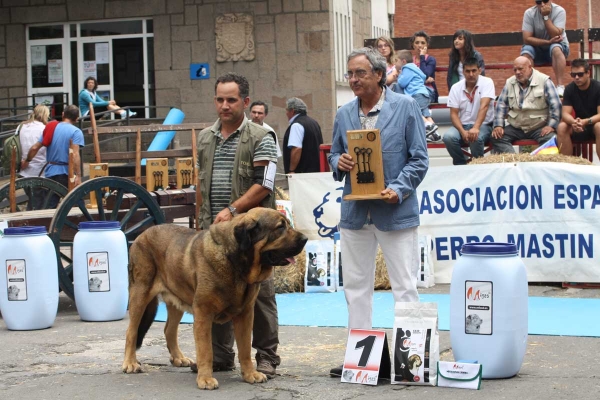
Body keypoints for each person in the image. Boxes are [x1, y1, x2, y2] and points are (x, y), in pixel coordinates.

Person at [327, 47, 428, 376]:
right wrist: (337, 163)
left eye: (360, 73)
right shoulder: (343, 114)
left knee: (405, 286)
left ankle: (410, 365)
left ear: (379, 75)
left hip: (395, 213)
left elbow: (419, 159)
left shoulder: (406, 106)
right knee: (355, 288)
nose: (353, 79)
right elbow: (336, 157)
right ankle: (361, 363)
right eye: (350, 74)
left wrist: (398, 189)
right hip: (356, 214)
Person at [196, 72, 281, 378]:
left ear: (245, 102)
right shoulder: (206, 138)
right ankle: (220, 357)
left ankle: (267, 356)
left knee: (258, 294)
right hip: (215, 232)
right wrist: (203, 221)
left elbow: (265, 186)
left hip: (254, 233)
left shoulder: (262, 137)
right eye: (219, 99)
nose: (224, 105)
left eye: (231, 100)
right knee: (215, 291)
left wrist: (232, 210)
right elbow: (202, 185)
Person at [491, 56, 561, 154]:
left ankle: (537, 165)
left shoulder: (544, 81)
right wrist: (498, 125)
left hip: (539, 126)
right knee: (496, 137)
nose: (517, 72)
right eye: (515, 70)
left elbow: (556, 106)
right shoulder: (509, 82)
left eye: (520, 69)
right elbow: (501, 105)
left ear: (529, 67)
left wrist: (551, 126)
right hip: (516, 126)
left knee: (550, 139)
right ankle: (514, 162)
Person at [21, 105, 84, 208]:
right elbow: (75, 154)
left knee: (50, 205)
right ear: (77, 118)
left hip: (50, 172)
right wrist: (79, 175)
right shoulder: (76, 132)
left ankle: (47, 223)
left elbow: (35, 147)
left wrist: (27, 160)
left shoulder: (51, 128)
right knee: (77, 202)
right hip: (66, 172)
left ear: (63, 114)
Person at [443, 57, 495, 165]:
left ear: (479, 70)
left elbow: (484, 106)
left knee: (475, 138)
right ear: (463, 72)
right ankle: (461, 167)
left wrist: (476, 127)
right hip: (462, 125)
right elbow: (453, 113)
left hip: (483, 125)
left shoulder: (487, 82)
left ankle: (478, 167)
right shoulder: (456, 87)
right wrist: (462, 131)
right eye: (467, 71)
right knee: (448, 137)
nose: (471, 74)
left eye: (474, 71)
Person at [521, 0, 569, 96]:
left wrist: (546, 17)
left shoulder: (559, 11)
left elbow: (555, 34)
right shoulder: (529, 13)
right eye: (539, 2)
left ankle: (560, 86)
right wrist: (547, 42)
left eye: (545, 1)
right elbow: (526, 39)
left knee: (555, 47)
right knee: (526, 51)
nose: (542, 4)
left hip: (558, 46)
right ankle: (528, 86)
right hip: (538, 49)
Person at [556, 59, 600, 160]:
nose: (576, 78)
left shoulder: (598, 87)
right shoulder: (569, 89)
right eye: (573, 75)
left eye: (580, 74)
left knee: (599, 126)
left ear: (588, 73)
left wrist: (586, 121)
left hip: (594, 124)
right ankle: (566, 167)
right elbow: (565, 114)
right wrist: (574, 122)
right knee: (562, 126)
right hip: (578, 125)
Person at [393, 50, 440, 141]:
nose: (395, 64)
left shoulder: (407, 68)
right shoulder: (415, 68)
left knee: (415, 112)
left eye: (396, 61)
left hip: (416, 94)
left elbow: (402, 83)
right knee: (425, 113)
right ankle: (435, 133)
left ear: (403, 61)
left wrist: (398, 76)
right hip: (424, 94)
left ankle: (428, 126)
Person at [19, 104, 49, 210]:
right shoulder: (44, 128)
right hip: (40, 170)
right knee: (39, 203)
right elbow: (38, 148)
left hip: (24, 170)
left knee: (33, 201)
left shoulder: (21, 126)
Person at [283, 97, 324, 174]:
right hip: (316, 171)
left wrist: (292, 170)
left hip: (302, 173)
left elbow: (296, 149)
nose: (286, 113)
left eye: (287, 110)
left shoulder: (296, 125)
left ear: (292, 111)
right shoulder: (314, 122)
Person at [410, 31, 438, 103]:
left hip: (427, 90)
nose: (419, 45)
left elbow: (425, 74)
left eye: (423, 43)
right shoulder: (409, 61)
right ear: (413, 45)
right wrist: (424, 81)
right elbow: (408, 79)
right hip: (412, 90)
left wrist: (422, 56)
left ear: (427, 45)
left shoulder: (430, 59)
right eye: (417, 43)